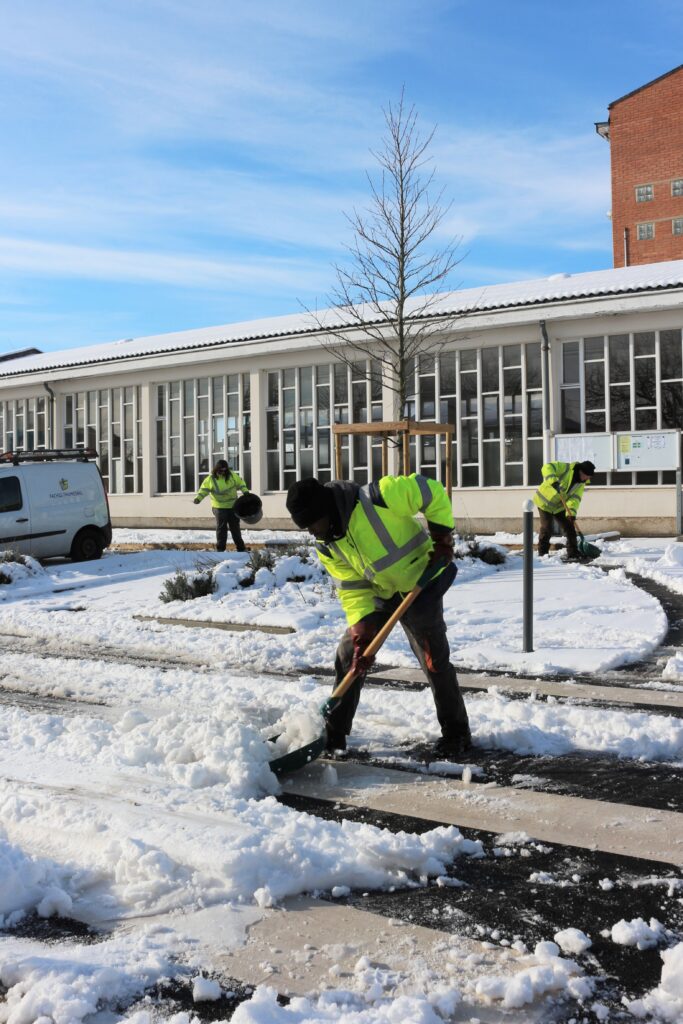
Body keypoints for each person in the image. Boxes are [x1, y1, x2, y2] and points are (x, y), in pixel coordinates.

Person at [286, 473, 471, 757]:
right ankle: (333, 734)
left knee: (433, 658)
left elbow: (431, 491)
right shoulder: (327, 543)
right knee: (350, 655)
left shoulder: (379, 496)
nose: (312, 532)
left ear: (326, 510)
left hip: (423, 579)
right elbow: (351, 587)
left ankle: (456, 733)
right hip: (381, 591)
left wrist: (442, 536)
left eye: (312, 523)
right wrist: (362, 629)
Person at [533, 460, 595, 561]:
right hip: (544, 503)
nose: (587, 479)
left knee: (569, 527)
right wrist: (553, 480)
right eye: (586, 476)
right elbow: (547, 467)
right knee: (547, 528)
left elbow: (575, 499)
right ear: (581, 472)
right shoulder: (566, 468)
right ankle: (542, 553)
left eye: (589, 477)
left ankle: (573, 552)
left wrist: (571, 513)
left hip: (559, 507)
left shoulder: (581, 483)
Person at [193, 460, 250, 552]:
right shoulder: (210, 479)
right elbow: (203, 490)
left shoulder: (232, 475)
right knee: (221, 529)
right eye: (221, 470)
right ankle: (220, 549)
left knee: (235, 528)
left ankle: (241, 548)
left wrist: (245, 491)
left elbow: (240, 483)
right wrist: (198, 498)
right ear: (216, 469)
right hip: (219, 507)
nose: (223, 472)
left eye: (225, 470)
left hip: (232, 506)